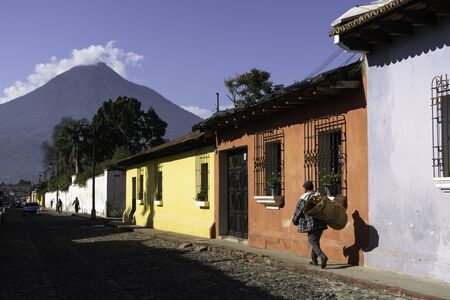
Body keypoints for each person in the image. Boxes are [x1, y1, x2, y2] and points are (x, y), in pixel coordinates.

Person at [292, 180, 328, 268]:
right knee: (315, 241)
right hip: (321, 222)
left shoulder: (304, 197)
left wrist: (295, 220)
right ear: (313, 187)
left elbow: (299, 210)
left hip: (311, 223)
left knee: (312, 241)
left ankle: (322, 256)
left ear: (305, 188)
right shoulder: (319, 196)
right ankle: (314, 260)